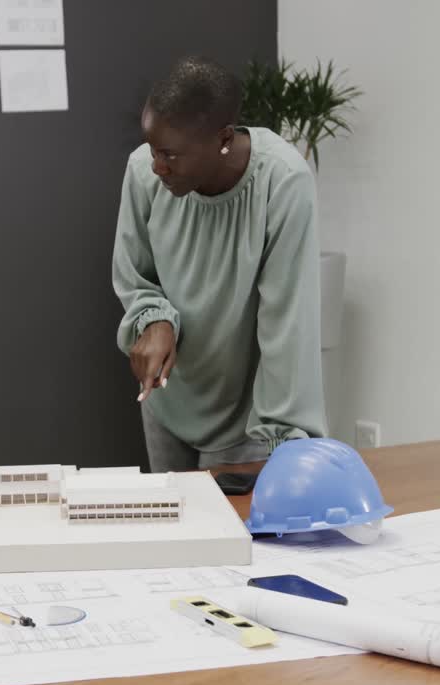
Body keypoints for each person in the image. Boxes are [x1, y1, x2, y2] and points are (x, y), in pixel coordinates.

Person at [112, 56, 326, 473]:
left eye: (170, 154)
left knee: (238, 518)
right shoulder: (143, 172)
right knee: (175, 517)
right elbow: (134, 274)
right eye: (152, 148)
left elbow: (288, 322)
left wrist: (284, 442)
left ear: (223, 139)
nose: (157, 165)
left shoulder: (282, 181)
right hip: (167, 397)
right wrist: (153, 319)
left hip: (249, 419)